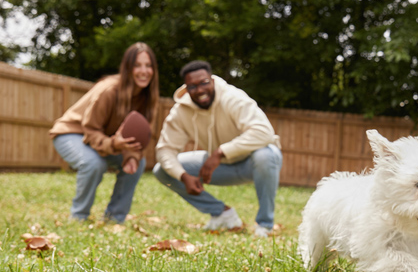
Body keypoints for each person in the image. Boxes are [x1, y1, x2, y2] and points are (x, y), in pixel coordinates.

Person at [153, 60, 282, 237]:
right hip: (218, 167)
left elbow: (264, 133)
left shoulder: (233, 98)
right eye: (192, 86)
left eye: (204, 83)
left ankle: (264, 225)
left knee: (265, 155)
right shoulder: (181, 111)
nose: (199, 90)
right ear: (186, 88)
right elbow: (164, 150)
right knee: (162, 170)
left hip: (252, 162)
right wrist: (183, 176)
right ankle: (223, 214)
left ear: (212, 81)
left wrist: (220, 152)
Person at [49, 42, 160, 223]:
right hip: (71, 133)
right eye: (137, 65)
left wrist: (131, 156)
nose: (144, 71)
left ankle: (115, 218)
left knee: (139, 163)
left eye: (148, 66)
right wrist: (114, 144)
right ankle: (78, 216)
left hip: (103, 140)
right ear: (127, 68)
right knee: (93, 163)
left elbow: (139, 137)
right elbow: (91, 129)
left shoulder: (148, 98)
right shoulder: (109, 90)